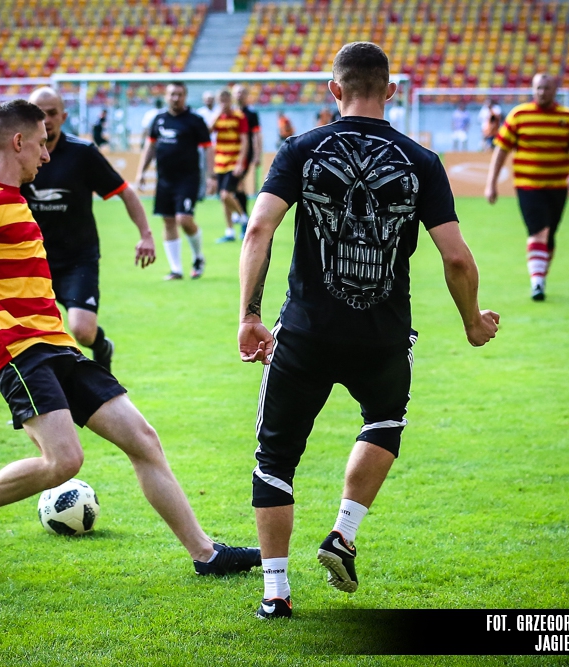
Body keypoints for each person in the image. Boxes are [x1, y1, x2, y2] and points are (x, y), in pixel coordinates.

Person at [0, 98, 260, 580]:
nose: (46, 154)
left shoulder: (16, 201)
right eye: (40, 144)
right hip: (19, 353)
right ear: (17, 142)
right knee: (64, 461)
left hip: (59, 346)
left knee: (143, 439)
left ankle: (206, 554)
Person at [237, 42, 499, 620]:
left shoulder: (300, 149)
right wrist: (472, 321)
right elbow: (456, 257)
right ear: (391, 91)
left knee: (275, 457)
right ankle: (344, 533)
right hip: (383, 336)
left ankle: (276, 593)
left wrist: (249, 315)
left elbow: (258, 230)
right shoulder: (422, 161)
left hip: (304, 332)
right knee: (383, 422)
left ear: (335, 90)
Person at [22, 87, 156, 371]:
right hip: (32, 260)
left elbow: (125, 191)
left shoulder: (82, 153)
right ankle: (42, 396)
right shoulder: (18, 155)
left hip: (77, 259)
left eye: (52, 113)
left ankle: (102, 347)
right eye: (39, 114)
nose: (46, 120)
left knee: (83, 331)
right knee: (27, 337)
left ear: (63, 116)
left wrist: (146, 235)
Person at [485, 73, 569, 302]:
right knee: (538, 232)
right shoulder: (519, 115)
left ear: (555, 90)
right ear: (533, 89)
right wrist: (491, 183)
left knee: (550, 236)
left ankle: (540, 275)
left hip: (558, 186)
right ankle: (537, 283)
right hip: (528, 186)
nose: (542, 92)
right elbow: (501, 150)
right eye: (538, 88)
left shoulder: (567, 117)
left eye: (546, 88)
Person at [137, 81, 211, 280]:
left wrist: (211, 176)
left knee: (184, 219)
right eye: (172, 94)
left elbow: (207, 148)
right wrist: (141, 172)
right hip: (164, 179)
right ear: (166, 96)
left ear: (185, 96)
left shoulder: (195, 120)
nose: (175, 98)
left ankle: (198, 257)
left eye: (179, 94)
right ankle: (176, 269)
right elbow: (150, 146)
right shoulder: (159, 119)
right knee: (168, 221)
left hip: (188, 179)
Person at [206, 88, 249, 244]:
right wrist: (216, 116)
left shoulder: (239, 116)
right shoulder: (217, 117)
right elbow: (207, 133)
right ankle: (229, 231)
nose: (224, 104)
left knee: (225, 194)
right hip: (220, 162)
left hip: (233, 162)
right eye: (221, 101)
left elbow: (245, 141)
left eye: (226, 100)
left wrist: (240, 163)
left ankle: (243, 217)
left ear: (231, 100)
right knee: (223, 199)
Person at [232, 84, 262, 237]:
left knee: (237, 184)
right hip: (229, 154)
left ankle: (243, 217)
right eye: (236, 92)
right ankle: (240, 217)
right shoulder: (230, 113)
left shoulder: (251, 114)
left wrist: (257, 154)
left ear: (246, 95)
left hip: (244, 154)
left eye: (242, 92)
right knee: (235, 187)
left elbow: (256, 135)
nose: (239, 95)